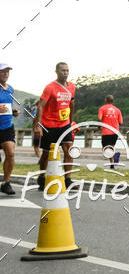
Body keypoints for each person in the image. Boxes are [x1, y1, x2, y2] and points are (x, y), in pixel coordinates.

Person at [34, 62, 76, 190]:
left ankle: (67, 179)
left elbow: (71, 104)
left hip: (64, 124)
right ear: (57, 72)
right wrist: (38, 125)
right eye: (63, 70)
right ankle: (42, 177)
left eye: (67, 70)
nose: (65, 73)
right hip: (49, 125)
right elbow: (41, 105)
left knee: (69, 150)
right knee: (46, 154)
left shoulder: (72, 87)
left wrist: (71, 122)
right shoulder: (50, 87)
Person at [0, 64, 19, 195]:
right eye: (3, 72)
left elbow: (6, 107)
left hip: (7, 126)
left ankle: (6, 183)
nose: (6, 74)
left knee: (10, 153)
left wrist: (13, 112)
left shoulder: (10, 89)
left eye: (7, 72)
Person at [98, 94, 123, 168]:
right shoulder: (117, 110)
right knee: (110, 148)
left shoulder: (102, 108)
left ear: (106, 100)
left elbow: (99, 119)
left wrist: (99, 126)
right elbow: (121, 122)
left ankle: (114, 157)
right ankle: (112, 165)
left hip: (106, 131)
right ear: (113, 101)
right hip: (115, 132)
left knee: (105, 149)